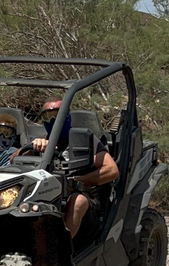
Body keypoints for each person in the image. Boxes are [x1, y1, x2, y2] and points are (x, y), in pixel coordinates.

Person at [23, 98, 119, 239]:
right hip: (47, 194)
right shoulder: (42, 141)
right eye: (47, 116)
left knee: (77, 201)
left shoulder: (84, 141)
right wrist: (30, 148)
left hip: (83, 199)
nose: (52, 120)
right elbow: (14, 160)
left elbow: (111, 170)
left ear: (67, 116)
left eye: (57, 114)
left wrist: (76, 182)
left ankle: (61, 251)